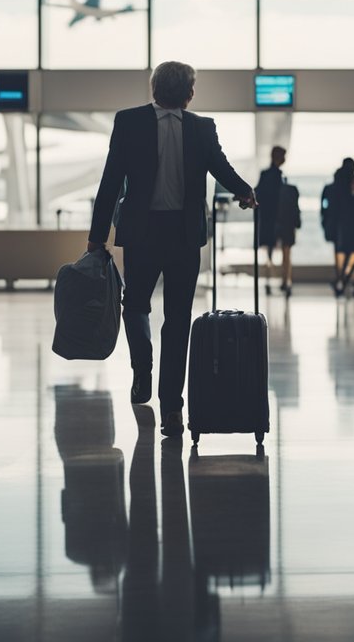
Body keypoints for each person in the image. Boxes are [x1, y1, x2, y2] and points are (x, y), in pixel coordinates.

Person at [86, 61, 256, 438]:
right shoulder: (130, 122)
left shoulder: (200, 128)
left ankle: (172, 406)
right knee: (141, 308)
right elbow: (112, 179)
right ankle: (144, 367)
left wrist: (243, 189)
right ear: (190, 92)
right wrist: (98, 235)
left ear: (153, 87)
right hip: (150, 232)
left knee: (172, 318)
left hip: (178, 234)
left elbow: (219, 167)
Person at [322, 158, 354, 297]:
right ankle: (343, 278)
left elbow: (325, 207)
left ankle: (340, 280)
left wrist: (326, 223)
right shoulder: (353, 185)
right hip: (352, 227)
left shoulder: (332, 186)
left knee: (341, 253)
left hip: (338, 228)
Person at [255, 146, 298, 296]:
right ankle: (286, 281)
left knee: (269, 251)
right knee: (285, 251)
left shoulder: (266, 175)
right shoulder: (280, 178)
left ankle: (269, 280)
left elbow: (259, 195)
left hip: (269, 219)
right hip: (282, 219)